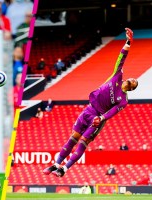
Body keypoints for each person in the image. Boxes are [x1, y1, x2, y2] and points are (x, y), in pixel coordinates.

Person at [43, 28, 138, 177]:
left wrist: (101, 119)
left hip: (98, 117)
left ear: (131, 88)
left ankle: (64, 169)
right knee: (73, 138)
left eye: (134, 82)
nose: (132, 79)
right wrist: (128, 42)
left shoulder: (123, 100)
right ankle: (55, 165)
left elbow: (112, 112)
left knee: (82, 142)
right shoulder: (117, 76)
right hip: (89, 109)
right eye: (132, 78)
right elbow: (121, 57)